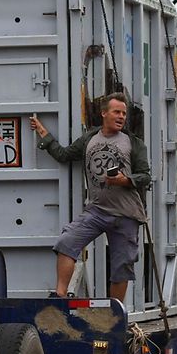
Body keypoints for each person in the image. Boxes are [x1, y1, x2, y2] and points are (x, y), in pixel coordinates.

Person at [29, 93, 150, 301]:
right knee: (67, 241)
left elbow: (146, 176)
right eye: (116, 112)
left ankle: (114, 315)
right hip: (97, 210)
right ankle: (60, 298)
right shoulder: (89, 139)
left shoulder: (133, 143)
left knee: (121, 267)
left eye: (124, 113)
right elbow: (64, 155)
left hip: (126, 215)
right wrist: (43, 133)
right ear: (104, 113)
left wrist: (124, 179)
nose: (121, 117)